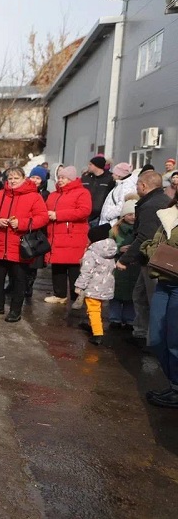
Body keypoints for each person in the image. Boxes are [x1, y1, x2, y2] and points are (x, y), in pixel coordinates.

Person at [0, 166, 49, 322]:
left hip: (19, 246)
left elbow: (42, 218)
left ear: (24, 178)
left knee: (19, 279)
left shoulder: (34, 197)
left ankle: (15, 310)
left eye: (16, 178)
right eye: (10, 178)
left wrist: (22, 223)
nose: (12, 181)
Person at [115, 170, 173, 346]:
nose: (137, 187)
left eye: (138, 185)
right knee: (139, 295)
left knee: (152, 299)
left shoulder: (150, 206)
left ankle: (152, 340)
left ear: (144, 186)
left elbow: (144, 237)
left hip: (154, 261)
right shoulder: (163, 200)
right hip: (153, 259)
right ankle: (141, 331)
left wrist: (125, 259)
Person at [140, 189, 178, 407]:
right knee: (156, 337)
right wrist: (150, 249)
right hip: (164, 280)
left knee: (175, 341)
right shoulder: (169, 213)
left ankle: (176, 388)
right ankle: (174, 384)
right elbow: (154, 241)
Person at [44, 166, 92, 304]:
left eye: (63, 178)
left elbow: (84, 211)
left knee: (73, 267)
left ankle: (76, 296)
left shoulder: (82, 193)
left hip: (72, 235)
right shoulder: (54, 195)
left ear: (71, 179)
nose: (60, 180)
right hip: (55, 235)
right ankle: (59, 294)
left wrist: (58, 215)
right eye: (59, 177)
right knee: (57, 266)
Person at [75, 226, 118, 346]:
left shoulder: (91, 253)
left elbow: (86, 271)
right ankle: (93, 325)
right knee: (98, 308)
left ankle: (97, 333)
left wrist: (79, 286)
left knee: (93, 309)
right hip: (106, 286)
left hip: (93, 286)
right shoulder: (111, 251)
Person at [21, 165, 51, 302]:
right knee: (19, 259)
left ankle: (28, 286)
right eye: (33, 177)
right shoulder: (24, 191)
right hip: (23, 227)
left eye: (38, 178)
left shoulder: (45, 195)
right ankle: (15, 284)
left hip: (37, 231)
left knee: (33, 261)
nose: (35, 180)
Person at [109, 199, 139, 329]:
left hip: (133, 267)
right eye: (129, 214)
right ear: (123, 215)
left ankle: (129, 319)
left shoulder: (140, 230)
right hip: (117, 265)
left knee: (131, 294)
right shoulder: (114, 230)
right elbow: (107, 247)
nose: (132, 217)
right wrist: (118, 249)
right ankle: (114, 318)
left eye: (134, 214)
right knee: (115, 293)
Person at [82, 155, 115, 227]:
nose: (88, 166)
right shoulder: (86, 177)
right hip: (86, 214)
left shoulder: (109, 178)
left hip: (99, 215)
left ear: (97, 166)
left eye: (91, 164)